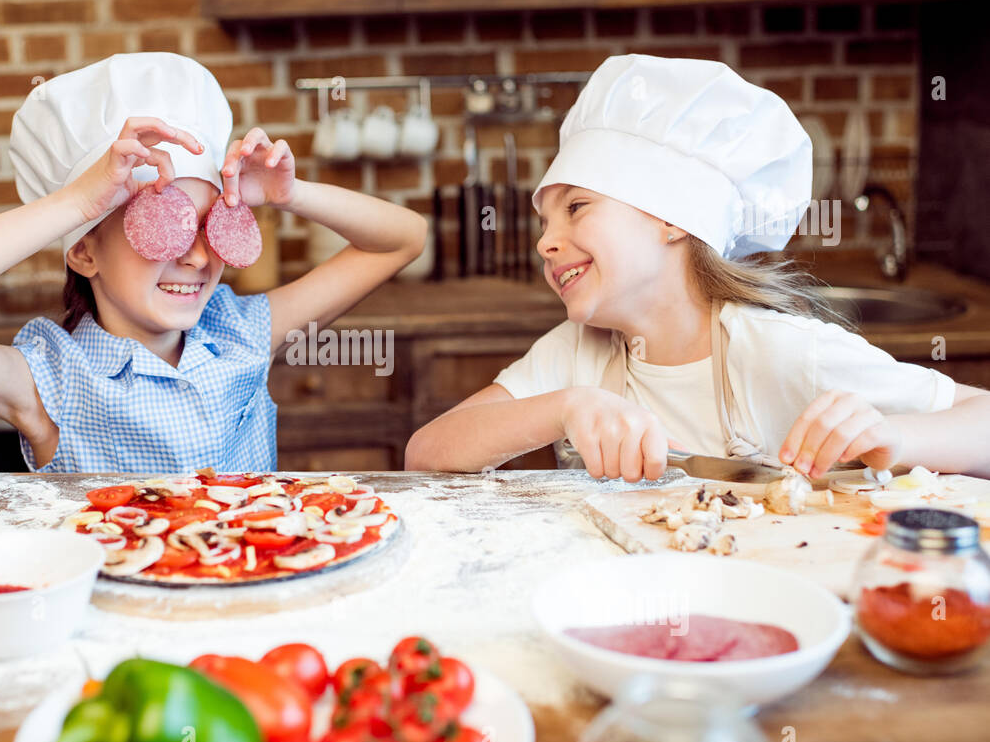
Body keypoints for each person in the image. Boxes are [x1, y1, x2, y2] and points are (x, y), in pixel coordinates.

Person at [405, 54, 990, 482]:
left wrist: (894, 435)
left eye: (577, 208)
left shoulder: (778, 350)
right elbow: (426, 452)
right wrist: (564, 406)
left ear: (674, 218)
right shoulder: (575, 353)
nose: (546, 244)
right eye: (543, 224)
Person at [0, 52, 426, 472]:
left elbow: (403, 238)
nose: (200, 254)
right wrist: (75, 203)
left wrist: (287, 195)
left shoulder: (242, 332)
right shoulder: (46, 381)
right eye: (162, 224)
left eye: (208, 224)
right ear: (83, 251)